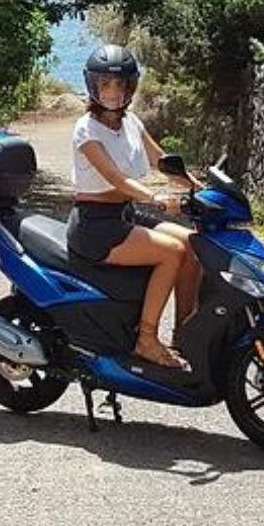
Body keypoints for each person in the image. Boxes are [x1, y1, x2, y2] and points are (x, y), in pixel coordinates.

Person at [66, 44, 202, 369]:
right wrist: (154, 197)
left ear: (131, 87)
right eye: (105, 84)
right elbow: (115, 178)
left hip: (123, 215)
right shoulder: (86, 129)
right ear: (93, 86)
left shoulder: (131, 123)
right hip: (96, 225)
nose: (113, 92)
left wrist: (200, 189)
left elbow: (163, 162)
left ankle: (185, 333)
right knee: (171, 252)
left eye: (120, 84)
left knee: (192, 245)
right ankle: (146, 338)